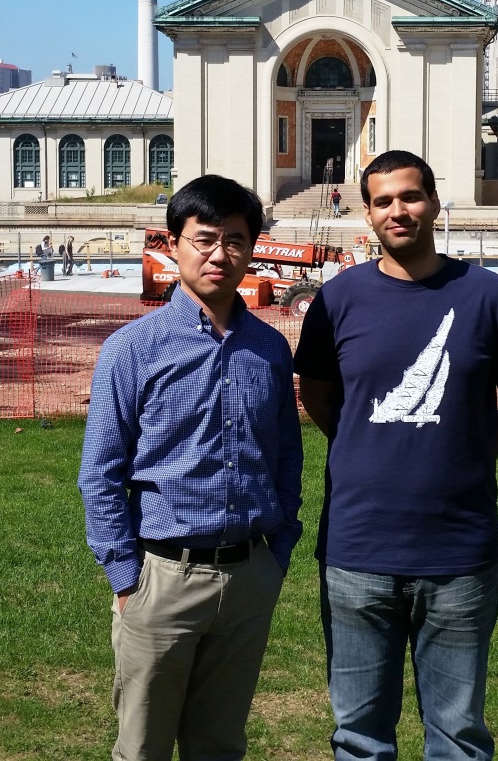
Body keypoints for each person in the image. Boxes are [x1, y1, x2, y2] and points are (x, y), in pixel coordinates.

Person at [295, 150, 498, 761]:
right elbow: (320, 399)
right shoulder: (338, 301)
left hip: (459, 553)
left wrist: (467, 454)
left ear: (433, 202)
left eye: (410, 196)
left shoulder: (489, 296)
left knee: (458, 736)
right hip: (358, 553)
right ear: (367, 212)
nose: (397, 211)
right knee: (359, 738)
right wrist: (372, 445)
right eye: (383, 201)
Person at [78, 174, 303, 761]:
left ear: (252, 247)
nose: (219, 254)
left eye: (234, 240)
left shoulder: (270, 349)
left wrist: (277, 552)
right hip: (161, 578)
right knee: (143, 746)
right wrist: (127, 578)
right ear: (172, 243)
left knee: (220, 745)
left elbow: (284, 457)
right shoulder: (132, 348)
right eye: (203, 239)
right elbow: (101, 470)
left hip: (248, 575)